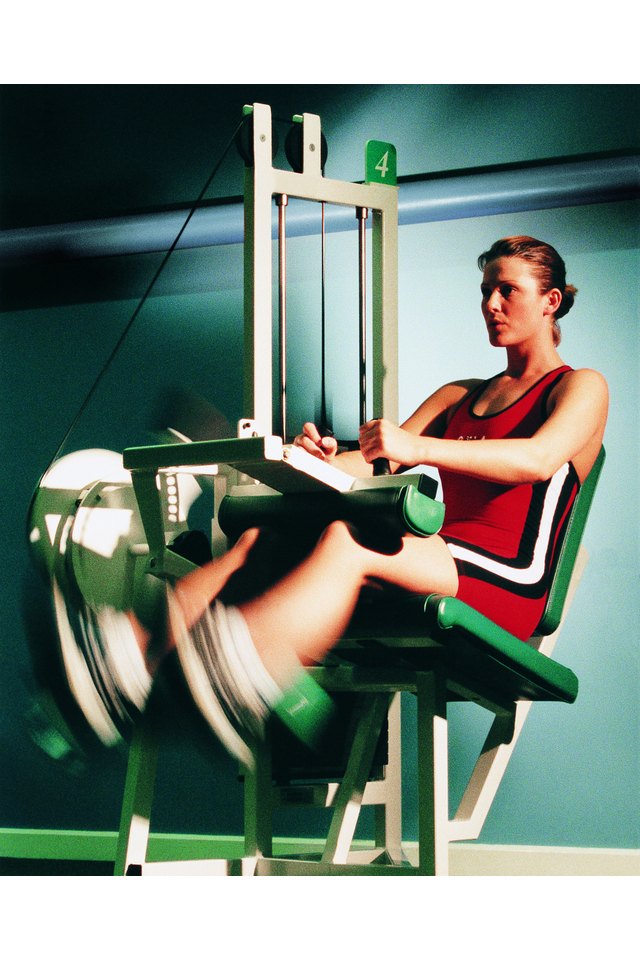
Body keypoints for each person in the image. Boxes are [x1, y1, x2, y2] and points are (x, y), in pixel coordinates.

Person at [54, 236, 608, 766]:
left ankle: (252, 661)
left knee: (350, 541)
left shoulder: (579, 387)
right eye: (486, 290)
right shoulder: (459, 395)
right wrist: (313, 459)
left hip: (511, 578)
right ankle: (134, 655)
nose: (491, 303)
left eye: (507, 289)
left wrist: (413, 444)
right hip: (447, 556)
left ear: (550, 301)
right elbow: (374, 462)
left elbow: (536, 459)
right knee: (267, 537)